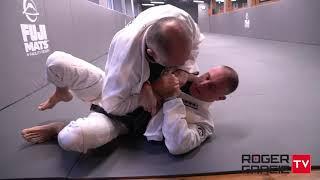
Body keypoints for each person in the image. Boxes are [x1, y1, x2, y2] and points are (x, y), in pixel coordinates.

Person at [21, 51, 239, 155]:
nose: (204, 82)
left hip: (119, 121)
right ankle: (62, 91)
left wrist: (172, 97)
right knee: (57, 62)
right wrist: (148, 86)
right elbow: (162, 48)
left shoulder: (203, 122)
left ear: (220, 98)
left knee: (69, 139)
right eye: (208, 76)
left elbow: (178, 145)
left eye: (212, 87)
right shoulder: (186, 71)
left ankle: (60, 127)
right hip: (111, 90)